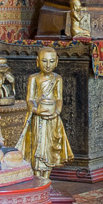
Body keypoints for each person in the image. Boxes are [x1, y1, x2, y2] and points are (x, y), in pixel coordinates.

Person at [19, 48, 72, 179]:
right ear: (37, 62)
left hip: (52, 118)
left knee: (49, 146)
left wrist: (57, 111)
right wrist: (37, 110)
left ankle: (46, 178)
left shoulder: (57, 78)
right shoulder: (34, 78)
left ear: (56, 62)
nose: (48, 65)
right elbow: (30, 99)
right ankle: (37, 178)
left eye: (51, 61)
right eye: (44, 61)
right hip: (38, 119)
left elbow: (59, 98)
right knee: (38, 145)